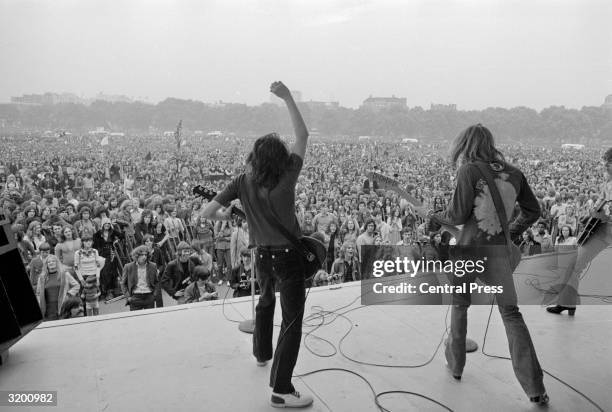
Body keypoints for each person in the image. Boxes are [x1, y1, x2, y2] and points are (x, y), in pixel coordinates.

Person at [200, 82, 313, 408]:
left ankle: (262, 353)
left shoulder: (241, 181)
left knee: (265, 302)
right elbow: (303, 136)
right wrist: (288, 96)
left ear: (253, 157)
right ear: (280, 158)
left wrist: (227, 212)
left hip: (261, 254)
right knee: (292, 321)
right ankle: (281, 389)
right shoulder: (288, 173)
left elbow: (208, 212)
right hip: (288, 257)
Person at [430, 124, 548, 405]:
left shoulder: (469, 170)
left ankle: (456, 367)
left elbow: (457, 214)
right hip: (498, 252)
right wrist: (513, 231)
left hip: (469, 249)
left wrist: (436, 216)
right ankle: (535, 388)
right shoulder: (514, 173)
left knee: (460, 306)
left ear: (465, 145)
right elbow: (534, 210)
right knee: (511, 314)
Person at [546, 148, 612, 316]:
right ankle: (567, 303)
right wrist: (589, 214)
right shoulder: (607, 183)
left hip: (606, 227)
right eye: (605, 164)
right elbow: (601, 205)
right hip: (600, 230)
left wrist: (602, 215)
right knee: (574, 264)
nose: (605, 168)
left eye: (608, 164)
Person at [36, 255, 81, 321]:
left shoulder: (64, 274)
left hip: (63, 306)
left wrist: (68, 295)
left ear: (57, 263)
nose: (51, 263)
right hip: (48, 310)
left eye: (53, 261)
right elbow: (38, 293)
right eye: (49, 262)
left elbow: (77, 285)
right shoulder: (42, 278)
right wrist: (40, 304)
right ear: (46, 265)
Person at [74, 233, 104, 316]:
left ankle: (96, 316)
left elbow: (98, 265)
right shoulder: (78, 253)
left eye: (90, 241)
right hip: (84, 277)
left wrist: (98, 277)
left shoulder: (95, 251)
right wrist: (81, 279)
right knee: (85, 297)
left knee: (95, 296)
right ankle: (85, 316)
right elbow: (76, 267)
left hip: (94, 275)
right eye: (86, 241)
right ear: (82, 242)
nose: (88, 243)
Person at [121, 245, 158, 311]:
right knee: (135, 320)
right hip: (135, 297)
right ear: (136, 255)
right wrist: (128, 297)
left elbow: (157, 282)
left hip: (149, 296)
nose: (144, 257)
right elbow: (123, 283)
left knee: (150, 319)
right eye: (142, 255)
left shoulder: (153, 266)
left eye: (145, 255)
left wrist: (154, 295)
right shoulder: (128, 267)